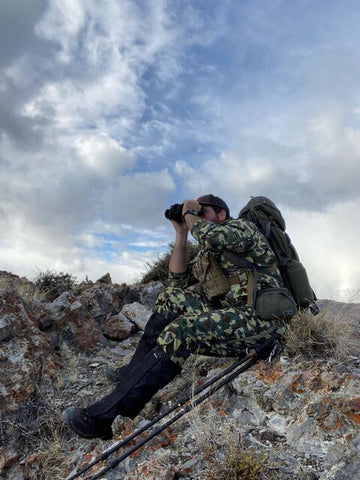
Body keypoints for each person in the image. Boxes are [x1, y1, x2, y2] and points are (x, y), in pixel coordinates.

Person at [62, 194, 287, 440]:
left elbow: (210, 235)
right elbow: (177, 280)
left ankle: (105, 417)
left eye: (204, 212)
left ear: (222, 214)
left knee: (181, 331)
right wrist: (181, 233)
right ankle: (133, 373)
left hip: (261, 321)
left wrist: (190, 212)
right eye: (196, 214)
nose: (197, 217)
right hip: (232, 317)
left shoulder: (242, 230)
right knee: (172, 297)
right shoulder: (208, 252)